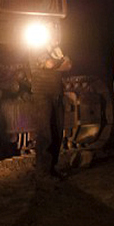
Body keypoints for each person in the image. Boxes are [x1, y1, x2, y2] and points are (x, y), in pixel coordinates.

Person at [29, 40, 72, 179]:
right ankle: (44, 171)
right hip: (43, 93)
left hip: (56, 92)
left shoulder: (56, 49)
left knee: (56, 131)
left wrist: (55, 64)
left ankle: (52, 168)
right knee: (45, 131)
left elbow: (69, 64)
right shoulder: (36, 45)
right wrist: (59, 63)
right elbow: (50, 64)